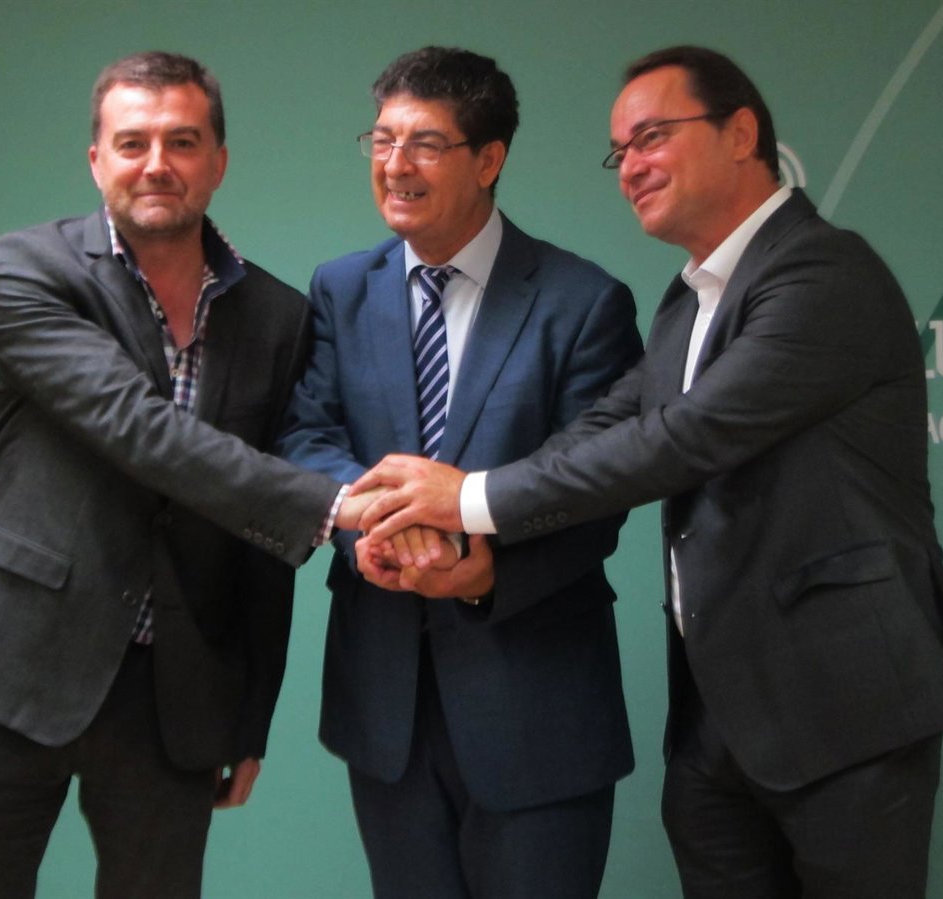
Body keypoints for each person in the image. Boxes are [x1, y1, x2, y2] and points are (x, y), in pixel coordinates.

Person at [355, 45, 943, 898]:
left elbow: (681, 440)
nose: (631, 168)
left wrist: (467, 496)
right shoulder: (689, 299)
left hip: (843, 711)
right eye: (620, 151)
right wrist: (460, 522)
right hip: (718, 723)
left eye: (652, 138)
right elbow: (603, 427)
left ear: (740, 134)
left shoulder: (823, 272)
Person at [0, 51, 371, 899]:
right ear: (97, 160)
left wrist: (250, 716)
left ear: (218, 161)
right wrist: (335, 502)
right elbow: (138, 427)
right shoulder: (29, 270)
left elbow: (258, 545)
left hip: (177, 698)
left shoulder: (278, 317)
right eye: (133, 143)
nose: (157, 162)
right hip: (15, 668)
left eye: (182, 141)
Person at [275, 46, 643, 899]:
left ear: (488, 159)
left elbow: (599, 489)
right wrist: (372, 528)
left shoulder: (582, 301)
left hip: (538, 708)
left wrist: (485, 571)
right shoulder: (340, 289)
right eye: (382, 139)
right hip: (387, 709)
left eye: (426, 143)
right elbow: (307, 434)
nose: (395, 164)